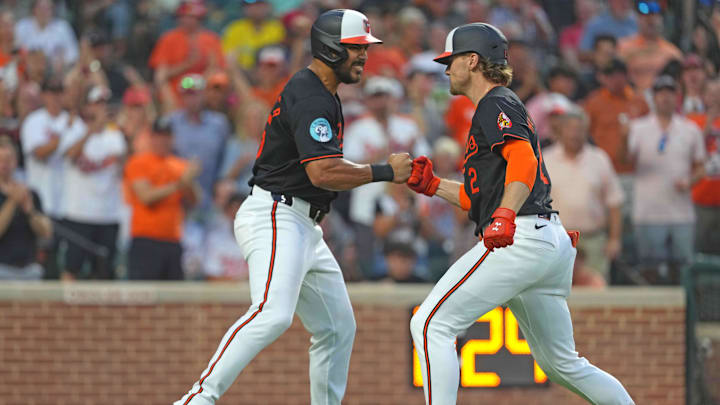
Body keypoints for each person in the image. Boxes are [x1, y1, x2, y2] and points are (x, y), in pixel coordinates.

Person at [175, 10, 411, 405]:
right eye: (356, 48)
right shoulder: (312, 95)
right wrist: (385, 171)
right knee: (273, 312)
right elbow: (322, 172)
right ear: (331, 48)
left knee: (338, 327)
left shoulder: (322, 92)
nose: (363, 57)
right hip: (275, 214)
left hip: (302, 223)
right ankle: (197, 399)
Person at [406, 23, 634, 405]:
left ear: (473, 60)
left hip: (522, 236)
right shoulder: (497, 105)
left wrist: (506, 215)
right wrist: (434, 186)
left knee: (430, 324)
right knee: (563, 363)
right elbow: (479, 200)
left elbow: (523, 160)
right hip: (544, 239)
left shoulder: (495, 101)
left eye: (452, 61)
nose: (447, 70)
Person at [622, 75, 706, 276]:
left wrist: (689, 182)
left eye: (670, 93)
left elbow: (701, 167)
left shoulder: (690, 129)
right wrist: (623, 138)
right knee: (650, 271)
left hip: (681, 213)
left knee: (684, 270)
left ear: (677, 97)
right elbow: (625, 161)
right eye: (661, 93)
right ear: (654, 97)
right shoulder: (637, 127)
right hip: (648, 212)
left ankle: (686, 308)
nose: (665, 98)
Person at [543, 108, 624, 281]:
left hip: (594, 240)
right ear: (561, 131)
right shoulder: (545, 160)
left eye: (579, 129)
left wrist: (614, 239)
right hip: (558, 240)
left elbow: (614, 202)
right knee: (555, 291)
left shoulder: (599, 159)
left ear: (586, 132)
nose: (575, 134)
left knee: (596, 295)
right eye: (570, 129)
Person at [60, 86, 127, 281]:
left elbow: (123, 168)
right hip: (78, 213)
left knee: (104, 272)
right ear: (86, 106)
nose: (102, 107)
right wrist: (91, 130)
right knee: (71, 269)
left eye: (104, 103)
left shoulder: (115, 134)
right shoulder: (73, 129)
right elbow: (69, 155)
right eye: (97, 103)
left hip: (108, 214)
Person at [123, 117, 201, 280]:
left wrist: (189, 182)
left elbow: (195, 201)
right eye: (158, 136)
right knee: (143, 297)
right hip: (145, 240)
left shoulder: (179, 164)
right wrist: (180, 184)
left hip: (173, 239)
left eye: (166, 136)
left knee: (172, 299)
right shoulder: (138, 162)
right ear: (151, 137)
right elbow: (146, 197)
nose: (162, 140)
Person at [148, 0, 225, 102]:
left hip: (204, 90)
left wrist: (209, 71)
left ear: (200, 19)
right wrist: (187, 64)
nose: (186, 20)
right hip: (175, 91)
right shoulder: (168, 39)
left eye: (191, 17)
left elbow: (218, 70)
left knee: (217, 83)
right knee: (164, 87)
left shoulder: (211, 39)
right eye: (183, 16)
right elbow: (161, 75)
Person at [0, 136, 52, 280]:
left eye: (9, 159)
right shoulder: (16, 196)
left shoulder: (30, 194)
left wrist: (30, 211)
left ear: (15, 162)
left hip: (29, 270)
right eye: (1, 160)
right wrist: (12, 202)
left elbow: (46, 232)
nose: (5, 164)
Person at [687, 79, 720, 255]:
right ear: (704, 97)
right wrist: (709, 123)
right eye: (712, 94)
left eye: (718, 93)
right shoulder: (693, 121)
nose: (716, 98)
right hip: (701, 197)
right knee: (700, 248)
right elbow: (690, 150)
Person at [14, 0, 78, 69]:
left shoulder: (63, 27)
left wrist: (63, 61)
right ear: (34, 9)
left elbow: (73, 54)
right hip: (27, 70)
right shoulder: (22, 26)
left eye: (48, 8)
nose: (43, 12)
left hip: (56, 71)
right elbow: (14, 51)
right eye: (41, 8)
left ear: (53, 10)